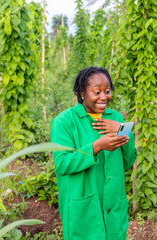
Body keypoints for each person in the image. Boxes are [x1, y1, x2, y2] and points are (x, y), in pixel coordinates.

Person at [50, 66, 138, 240]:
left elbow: (127, 161)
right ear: (82, 92)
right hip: (83, 208)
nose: (104, 97)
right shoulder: (64, 122)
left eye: (107, 91)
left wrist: (123, 131)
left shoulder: (116, 118)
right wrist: (96, 147)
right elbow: (62, 164)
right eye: (97, 92)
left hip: (113, 205)